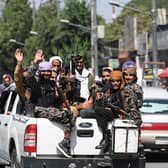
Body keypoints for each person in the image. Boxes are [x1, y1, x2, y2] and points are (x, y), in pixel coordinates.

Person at [14, 49, 74, 158]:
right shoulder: (34, 82)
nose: (46, 73)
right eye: (44, 71)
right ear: (39, 72)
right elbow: (25, 77)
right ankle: (65, 142)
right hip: (37, 110)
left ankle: (65, 141)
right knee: (67, 115)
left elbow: (61, 102)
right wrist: (35, 62)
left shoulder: (53, 85)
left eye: (48, 71)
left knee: (70, 113)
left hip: (50, 111)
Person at [95, 70, 125, 150]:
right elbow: (101, 102)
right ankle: (105, 138)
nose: (115, 83)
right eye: (113, 81)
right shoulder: (109, 90)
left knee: (99, 111)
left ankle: (106, 138)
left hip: (118, 114)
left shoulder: (123, 91)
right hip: (109, 112)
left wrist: (111, 107)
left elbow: (122, 106)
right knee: (87, 112)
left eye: (118, 81)